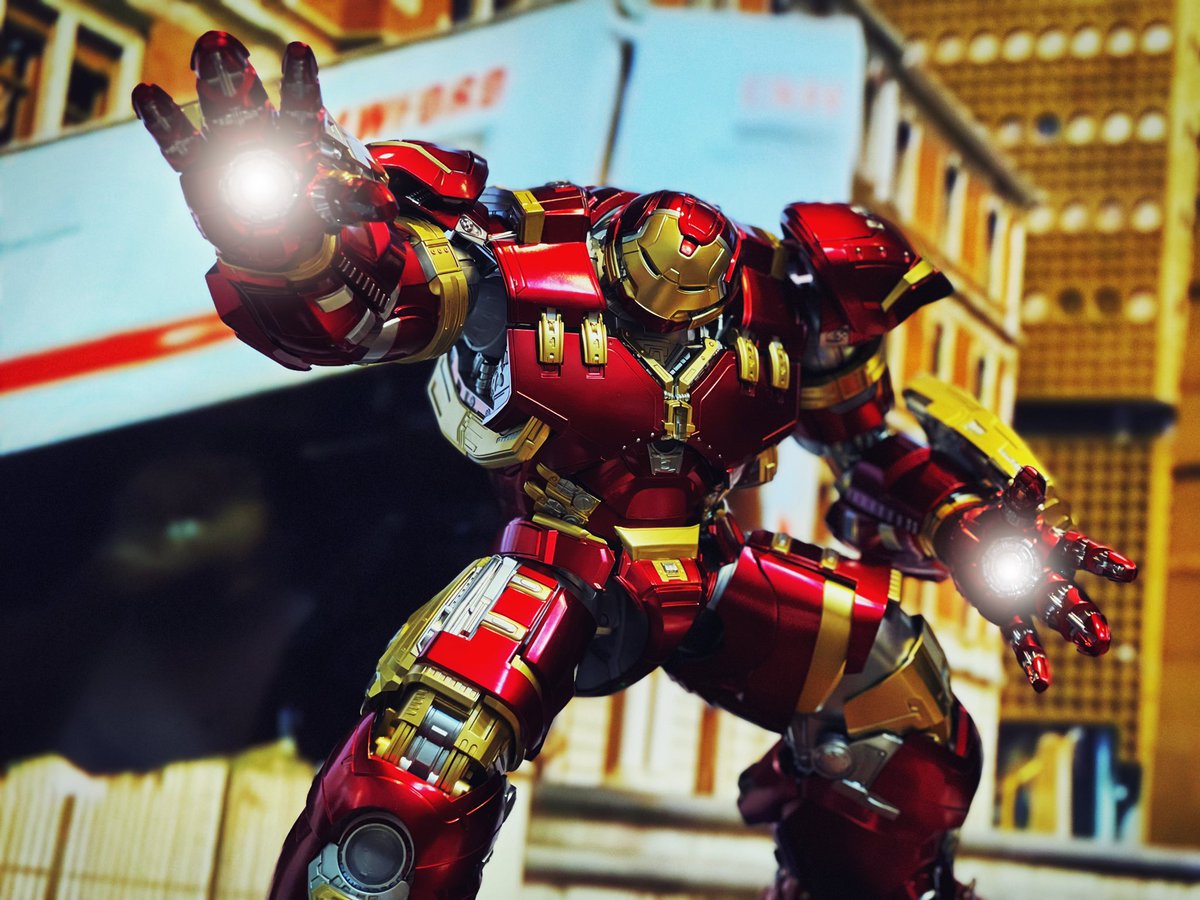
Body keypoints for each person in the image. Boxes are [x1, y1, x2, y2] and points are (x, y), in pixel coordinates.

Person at [132, 32, 1136, 900]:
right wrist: (284, 238)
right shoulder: (513, 264)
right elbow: (368, 303)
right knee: (414, 779)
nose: (679, 318)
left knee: (902, 698)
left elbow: (868, 443)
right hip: (556, 566)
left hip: (711, 571)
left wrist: (969, 528)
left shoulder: (786, 310)